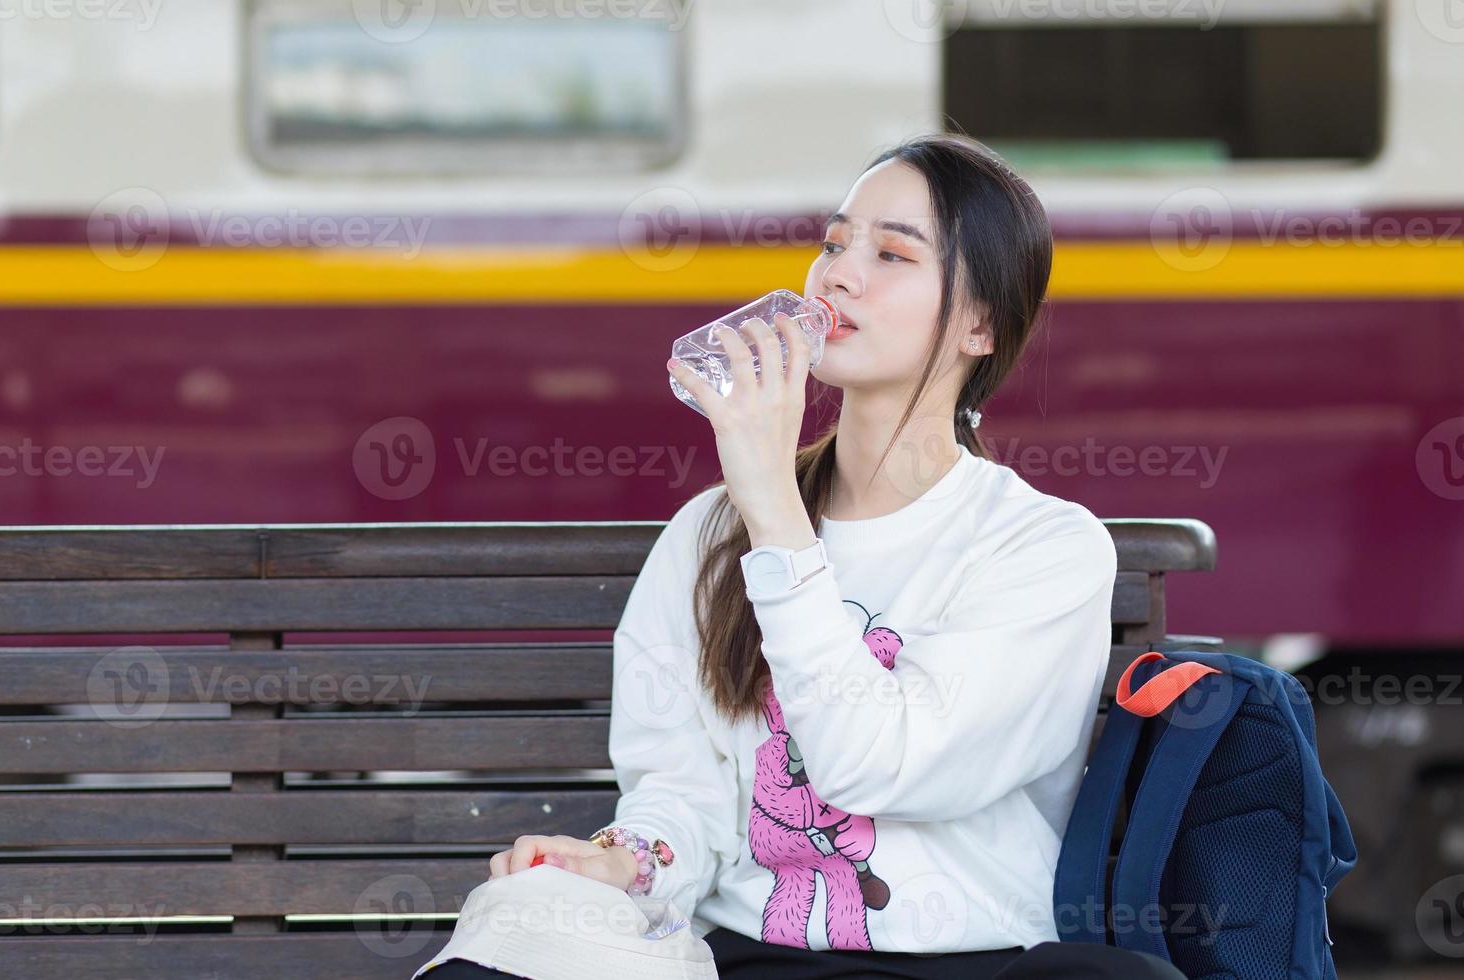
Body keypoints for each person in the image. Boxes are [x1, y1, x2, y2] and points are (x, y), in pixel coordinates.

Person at [416, 133, 1186, 979]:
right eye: (833, 243)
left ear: (980, 325)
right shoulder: (712, 528)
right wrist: (627, 860)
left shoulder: (1041, 547)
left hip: (972, 958)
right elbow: (685, 791)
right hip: (756, 956)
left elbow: (878, 770)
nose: (837, 275)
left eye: (891, 253)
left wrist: (775, 513)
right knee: (523, 920)